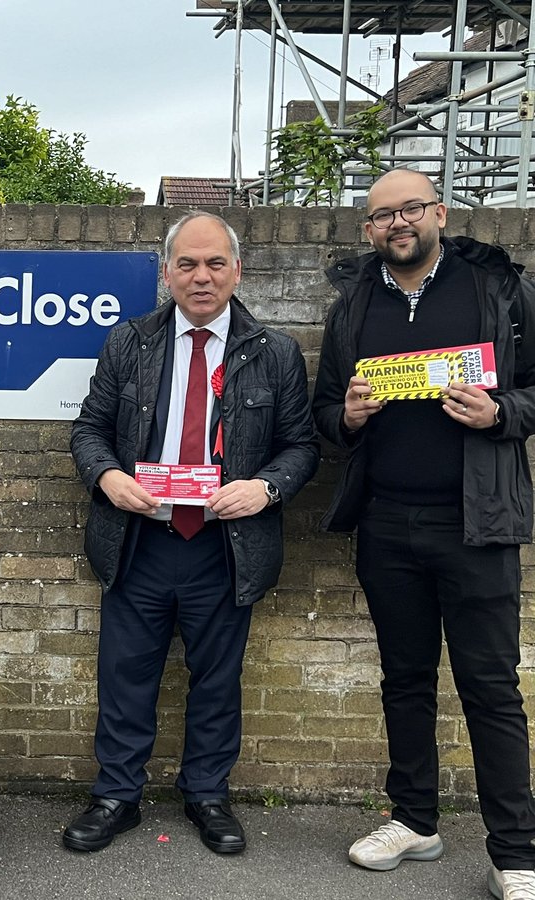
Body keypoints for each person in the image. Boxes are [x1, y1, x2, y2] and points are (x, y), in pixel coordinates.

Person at [312, 168, 535, 900]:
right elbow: (324, 416)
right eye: (381, 215)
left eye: (409, 208)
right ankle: (414, 820)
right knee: (404, 681)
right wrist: (346, 416)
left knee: (489, 689)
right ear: (368, 230)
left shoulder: (496, 290)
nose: (396, 223)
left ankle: (516, 853)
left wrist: (501, 414)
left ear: (438, 211)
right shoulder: (354, 306)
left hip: (478, 523)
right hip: (387, 522)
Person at [65, 211, 318, 856]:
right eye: (187, 263)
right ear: (166, 271)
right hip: (139, 540)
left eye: (213, 264)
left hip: (225, 546)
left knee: (216, 678)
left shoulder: (275, 352)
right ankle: (116, 796)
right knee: (125, 675)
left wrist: (266, 487)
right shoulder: (130, 343)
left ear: (237, 270)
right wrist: (107, 476)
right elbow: (88, 429)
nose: (200, 276)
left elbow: (301, 446)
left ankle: (207, 793)